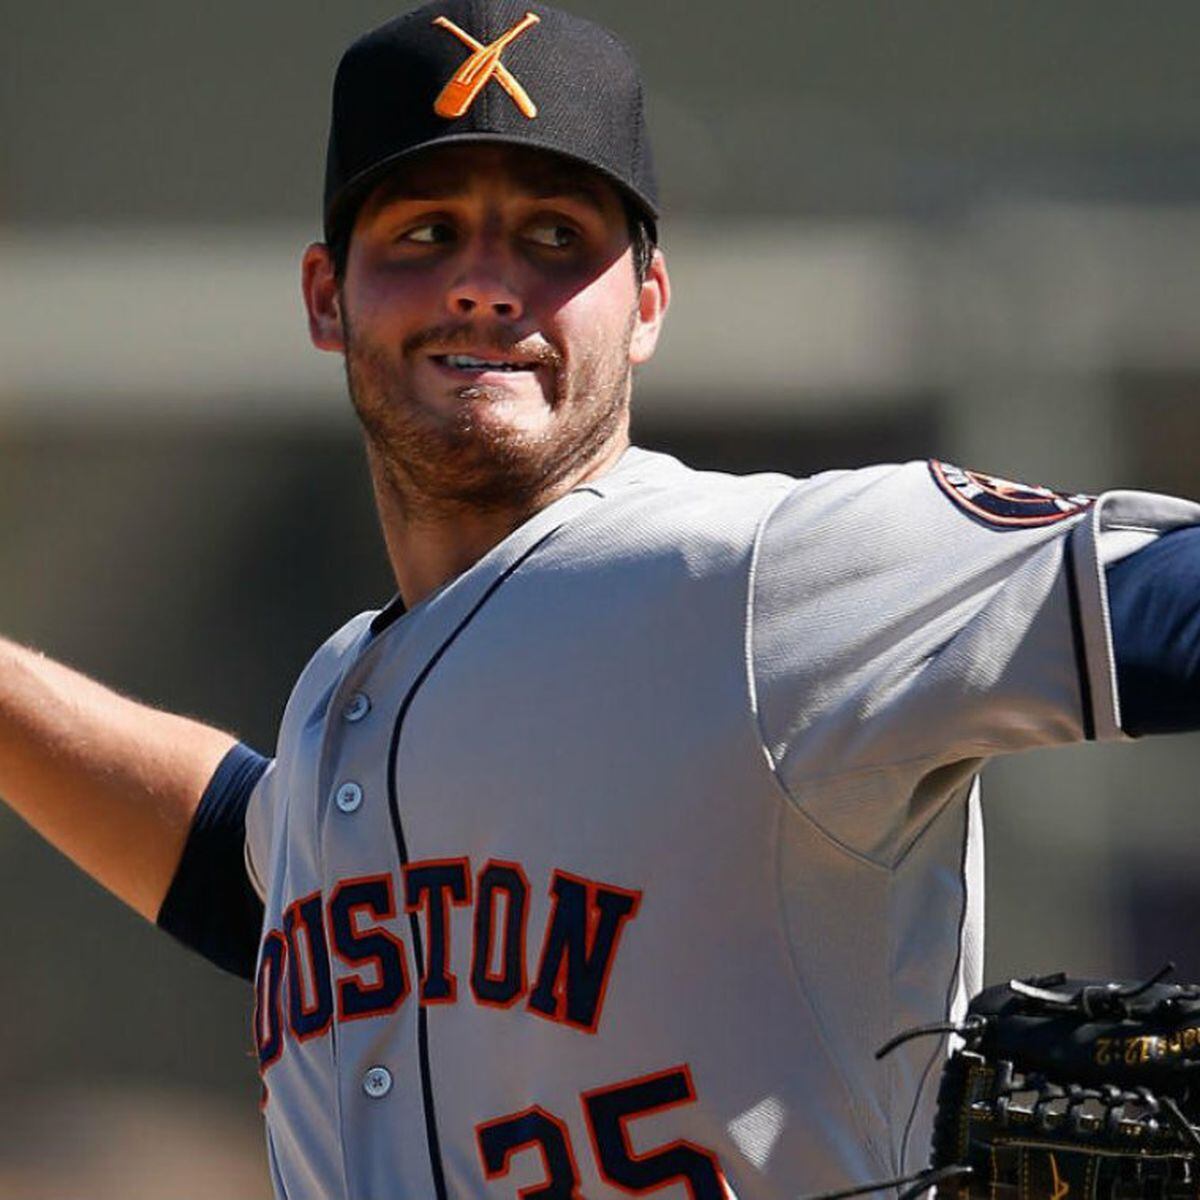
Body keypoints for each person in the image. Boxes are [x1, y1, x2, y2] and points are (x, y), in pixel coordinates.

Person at [3, 2, 1199, 1198]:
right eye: (425, 231)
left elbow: (1169, 606)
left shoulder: (766, 575)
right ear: (327, 296)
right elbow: (271, 888)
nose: (484, 284)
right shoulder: (346, 701)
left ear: (649, 302)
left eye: (554, 236)